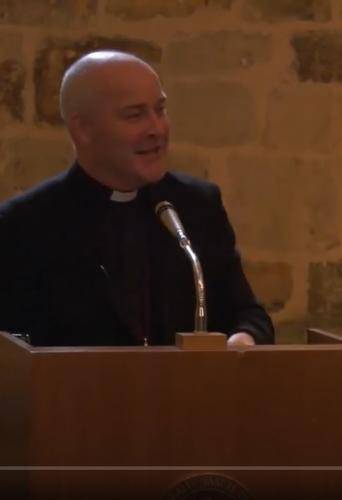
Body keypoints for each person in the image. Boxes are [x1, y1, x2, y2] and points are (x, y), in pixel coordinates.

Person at [0, 50, 274, 347]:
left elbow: (247, 313)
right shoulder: (24, 225)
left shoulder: (196, 206)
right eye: (135, 115)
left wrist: (243, 340)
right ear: (83, 129)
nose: (157, 129)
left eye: (160, 110)